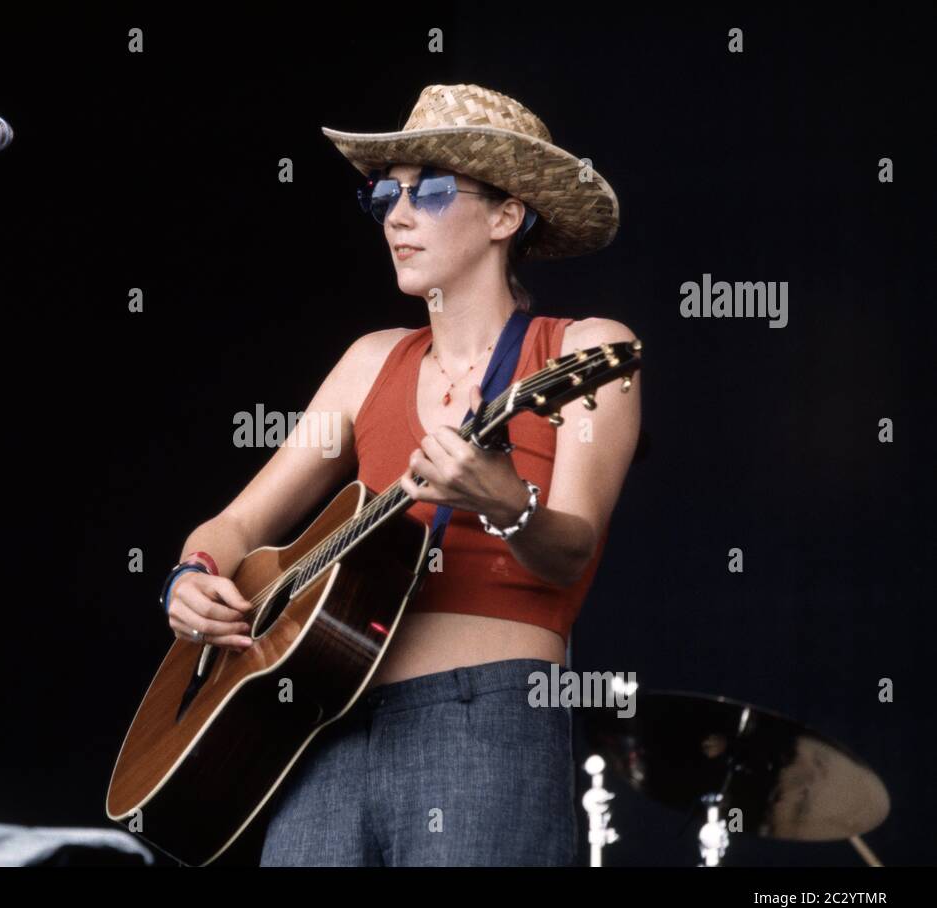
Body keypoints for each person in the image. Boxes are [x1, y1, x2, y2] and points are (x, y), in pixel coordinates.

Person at [160, 84, 640, 865]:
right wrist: (190, 575)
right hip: (326, 722)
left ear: (507, 215)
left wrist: (506, 505)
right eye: (386, 193)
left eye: (434, 190)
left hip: (486, 715)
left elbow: (572, 552)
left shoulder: (582, 349)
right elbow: (236, 526)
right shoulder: (369, 360)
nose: (397, 214)